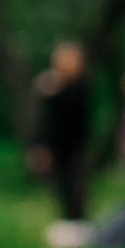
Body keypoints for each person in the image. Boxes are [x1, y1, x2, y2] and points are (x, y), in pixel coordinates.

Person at [29, 39, 94, 221]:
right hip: (58, 146)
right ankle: (69, 225)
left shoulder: (79, 87)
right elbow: (46, 120)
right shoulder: (53, 86)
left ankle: (78, 226)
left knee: (77, 189)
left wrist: (53, 90)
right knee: (63, 189)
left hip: (76, 146)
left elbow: (73, 109)